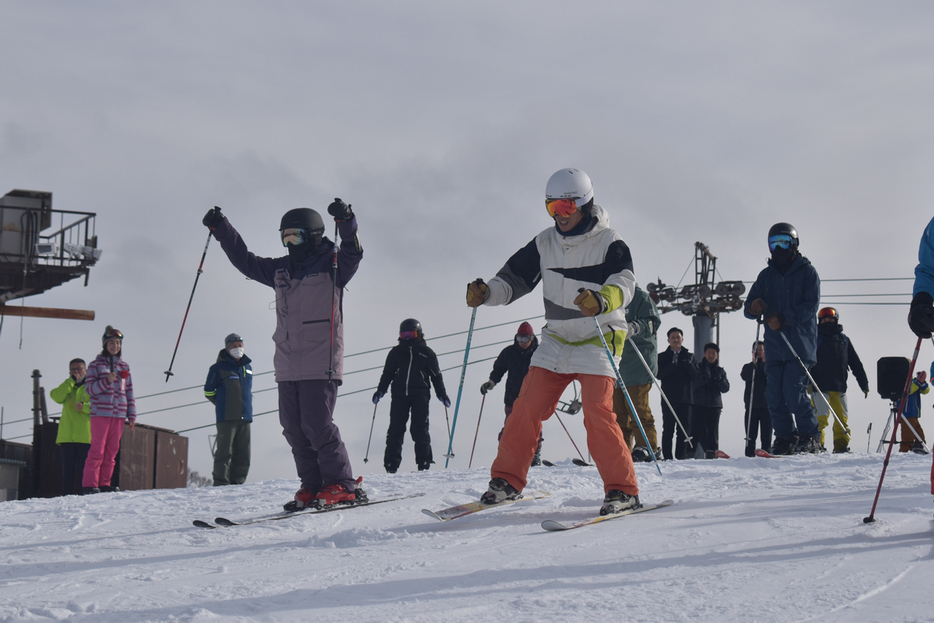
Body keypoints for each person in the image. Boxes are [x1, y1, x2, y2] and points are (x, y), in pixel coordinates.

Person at [466, 167, 641, 516]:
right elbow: (512, 280)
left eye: (565, 207)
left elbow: (625, 281)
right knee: (525, 405)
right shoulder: (544, 242)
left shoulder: (609, 241)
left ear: (584, 204)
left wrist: (604, 298)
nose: (559, 216)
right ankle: (507, 481)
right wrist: (486, 293)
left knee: (596, 411)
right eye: (552, 208)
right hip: (558, 338)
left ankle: (623, 490)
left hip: (598, 337)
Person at [203, 200, 365, 510]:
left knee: (318, 425)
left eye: (296, 237)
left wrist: (346, 220)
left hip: (321, 359)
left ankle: (341, 483)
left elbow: (352, 249)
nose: (289, 244)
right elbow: (245, 261)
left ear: (314, 235)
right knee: (293, 427)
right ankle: (313, 483)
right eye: (285, 237)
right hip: (288, 361)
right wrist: (221, 228)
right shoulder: (281, 269)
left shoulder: (333, 265)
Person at [744, 222, 821, 455]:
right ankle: (786, 436)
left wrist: (784, 317)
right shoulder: (766, 276)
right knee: (773, 394)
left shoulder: (807, 272)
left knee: (792, 390)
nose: (779, 248)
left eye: (784, 242)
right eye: (774, 243)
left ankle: (811, 435)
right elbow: (749, 307)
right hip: (776, 346)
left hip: (799, 343)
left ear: (794, 244)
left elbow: (811, 306)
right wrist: (754, 307)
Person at [372, 319, 450, 473]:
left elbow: (436, 376)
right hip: (399, 395)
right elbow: (387, 373)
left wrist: (441, 394)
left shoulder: (427, 353)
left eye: (410, 334)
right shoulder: (395, 352)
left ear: (419, 334)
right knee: (396, 429)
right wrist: (380, 390)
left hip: (420, 395)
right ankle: (391, 465)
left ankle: (424, 463)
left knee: (419, 428)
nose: (407, 338)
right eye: (404, 334)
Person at [481, 322, 543, 466]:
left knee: (533, 428)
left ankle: (535, 455)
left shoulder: (539, 353)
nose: (522, 343)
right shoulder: (509, 352)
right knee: (510, 428)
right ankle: (505, 454)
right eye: (519, 339)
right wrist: (491, 382)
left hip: (533, 398)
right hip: (512, 398)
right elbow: (499, 369)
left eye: (525, 339)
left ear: (532, 338)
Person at [82, 326, 135, 494]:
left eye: (118, 342)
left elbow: (129, 391)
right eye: (111, 342)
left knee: (112, 450)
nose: (115, 346)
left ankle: (105, 483)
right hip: (101, 413)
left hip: (118, 414)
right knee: (97, 449)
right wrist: (106, 381)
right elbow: (89, 389)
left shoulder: (124, 366)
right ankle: (90, 484)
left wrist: (131, 414)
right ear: (105, 344)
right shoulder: (95, 365)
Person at [809, 307, 870, 453]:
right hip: (819, 386)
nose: (826, 321)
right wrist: (806, 383)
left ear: (835, 319)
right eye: (824, 319)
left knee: (842, 420)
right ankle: (818, 445)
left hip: (839, 387)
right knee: (820, 419)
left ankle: (841, 446)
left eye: (829, 319)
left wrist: (864, 383)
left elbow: (855, 363)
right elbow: (806, 362)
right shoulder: (814, 339)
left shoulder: (844, 340)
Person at [613, 285, 661, 461]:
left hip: (638, 364)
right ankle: (622, 448)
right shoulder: (611, 295)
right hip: (617, 364)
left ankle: (647, 446)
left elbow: (653, 322)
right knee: (618, 413)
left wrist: (635, 327)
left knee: (637, 408)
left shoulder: (639, 296)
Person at [204, 333, 253, 485]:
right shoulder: (218, 368)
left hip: (245, 416)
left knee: (243, 453)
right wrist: (221, 403)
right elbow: (208, 391)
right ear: (227, 348)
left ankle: (237, 481)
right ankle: (221, 482)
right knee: (224, 452)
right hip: (226, 417)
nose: (238, 348)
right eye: (234, 346)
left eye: (240, 345)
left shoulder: (247, 367)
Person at [50, 358, 91, 495]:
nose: (76, 372)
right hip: (67, 437)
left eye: (79, 368)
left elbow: (100, 408)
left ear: (86, 370)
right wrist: (71, 381)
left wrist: (84, 407)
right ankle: (66, 496)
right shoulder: (68, 387)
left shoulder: (92, 388)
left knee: (84, 470)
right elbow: (55, 396)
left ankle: (83, 496)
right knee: (68, 470)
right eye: (73, 369)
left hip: (85, 437)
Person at [657, 327, 699, 460]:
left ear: (682, 339)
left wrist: (688, 365)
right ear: (668, 340)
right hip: (668, 398)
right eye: (673, 337)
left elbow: (696, 376)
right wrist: (673, 366)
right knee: (668, 428)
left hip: (685, 398)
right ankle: (668, 457)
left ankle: (681, 455)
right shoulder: (662, 357)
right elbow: (659, 374)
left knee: (683, 429)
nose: (675, 340)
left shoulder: (689, 356)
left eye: (678, 337)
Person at [692, 343, 730, 459]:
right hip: (699, 405)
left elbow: (725, 388)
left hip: (714, 405)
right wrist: (703, 379)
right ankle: (689, 454)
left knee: (713, 432)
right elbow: (692, 385)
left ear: (717, 355)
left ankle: (712, 453)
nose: (711, 355)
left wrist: (719, 380)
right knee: (697, 431)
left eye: (713, 353)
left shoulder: (720, 371)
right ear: (704, 354)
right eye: (709, 353)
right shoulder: (698, 368)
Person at [741, 341, 772, 457]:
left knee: (766, 436)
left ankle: (766, 454)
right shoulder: (748, 367)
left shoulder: (769, 367)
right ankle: (749, 456)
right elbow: (745, 376)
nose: (758, 352)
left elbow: (770, 378)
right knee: (750, 436)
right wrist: (754, 363)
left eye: (761, 350)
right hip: (751, 406)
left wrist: (764, 363)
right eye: (756, 350)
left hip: (766, 406)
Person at [898, 371, 929, 454]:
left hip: (914, 413)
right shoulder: (903, 382)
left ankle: (919, 446)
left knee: (918, 432)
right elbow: (909, 391)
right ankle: (905, 450)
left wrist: (922, 382)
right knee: (908, 435)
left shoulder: (914, 382)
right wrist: (918, 382)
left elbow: (926, 390)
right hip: (906, 412)